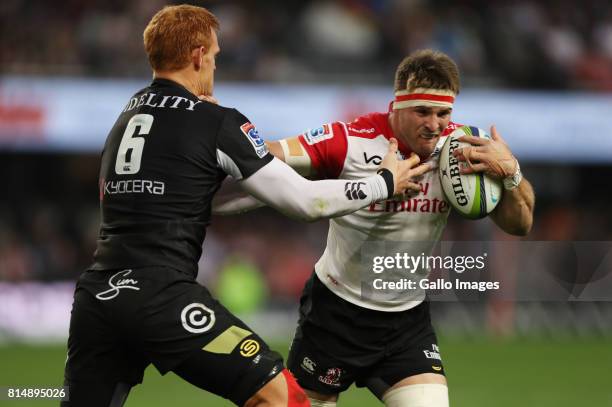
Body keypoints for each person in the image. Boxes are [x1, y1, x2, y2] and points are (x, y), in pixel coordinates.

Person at [60, 5, 424, 407]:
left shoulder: (127, 116)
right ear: (198, 56)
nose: (214, 68)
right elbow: (306, 202)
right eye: (214, 57)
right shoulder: (214, 120)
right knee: (287, 400)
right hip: (161, 296)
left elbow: (188, 198)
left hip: (97, 297)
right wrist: (384, 182)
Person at [217, 49, 535, 406]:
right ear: (396, 105)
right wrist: (211, 143)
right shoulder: (351, 140)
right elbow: (267, 156)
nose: (434, 124)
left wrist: (512, 174)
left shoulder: (462, 149)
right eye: (423, 112)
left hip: (406, 322)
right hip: (335, 316)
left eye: (443, 113)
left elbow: (520, 223)